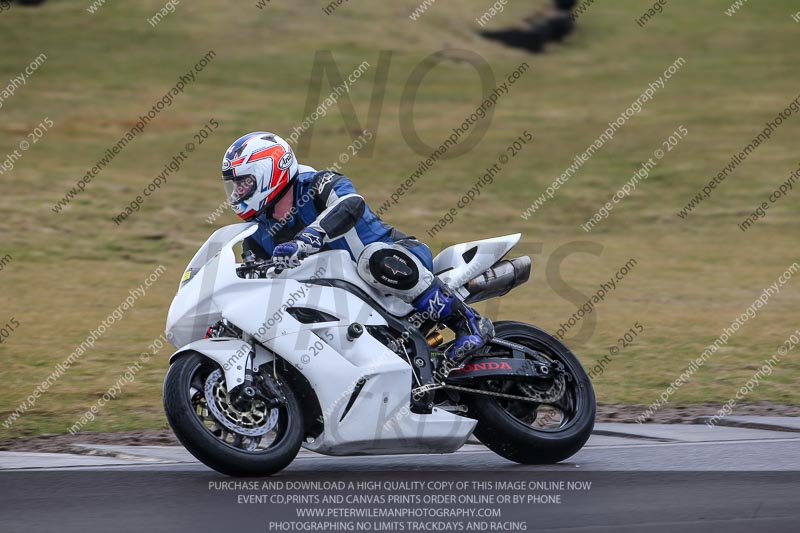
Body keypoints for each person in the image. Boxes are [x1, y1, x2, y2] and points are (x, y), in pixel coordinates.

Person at [220, 131, 493, 358]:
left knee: (374, 260)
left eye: (244, 183)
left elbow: (351, 204)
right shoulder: (258, 231)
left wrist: (310, 236)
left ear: (271, 171)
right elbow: (254, 276)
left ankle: (470, 323)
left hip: (397, 259)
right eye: (234, 186)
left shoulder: (319, 183)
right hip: (341, 299)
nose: (237, 193)